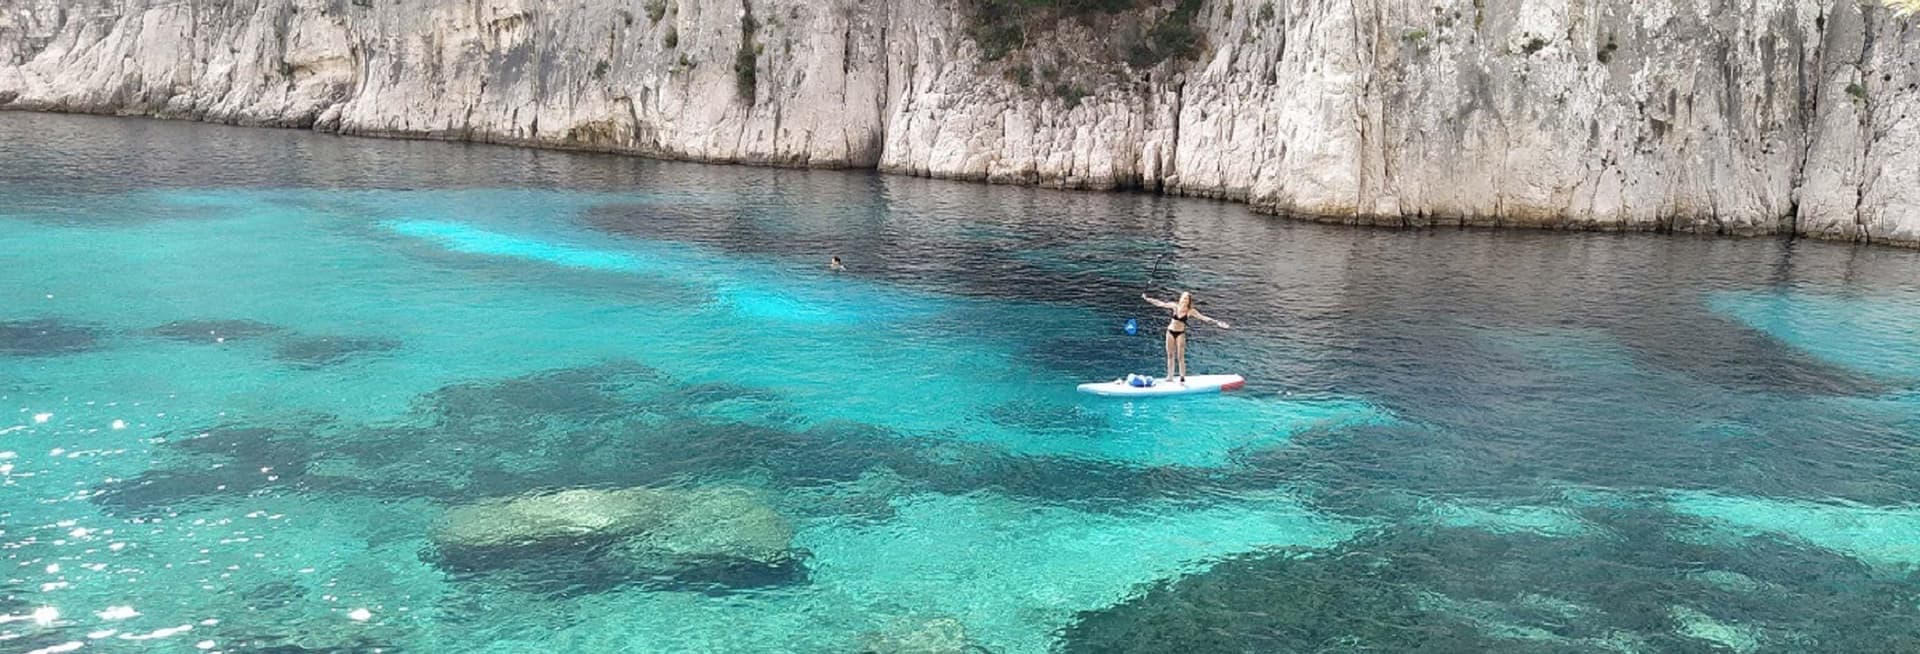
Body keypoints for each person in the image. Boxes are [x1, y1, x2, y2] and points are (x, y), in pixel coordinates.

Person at [1142, 291, 1229, 383]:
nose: (1184, 300)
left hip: (1180, 333)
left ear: (1189, 301)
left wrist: (1216, 322)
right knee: (1170, 355)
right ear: (1180, 299)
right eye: (1183, 298)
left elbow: (1203, 318)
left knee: (1180, 356)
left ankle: (1182, 376)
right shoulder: (1175, 306)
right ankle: (1170, 376)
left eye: (1186, 299)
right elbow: (1160, 304)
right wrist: (1147, 298)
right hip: (1170, 332)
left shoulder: (1190, 311)